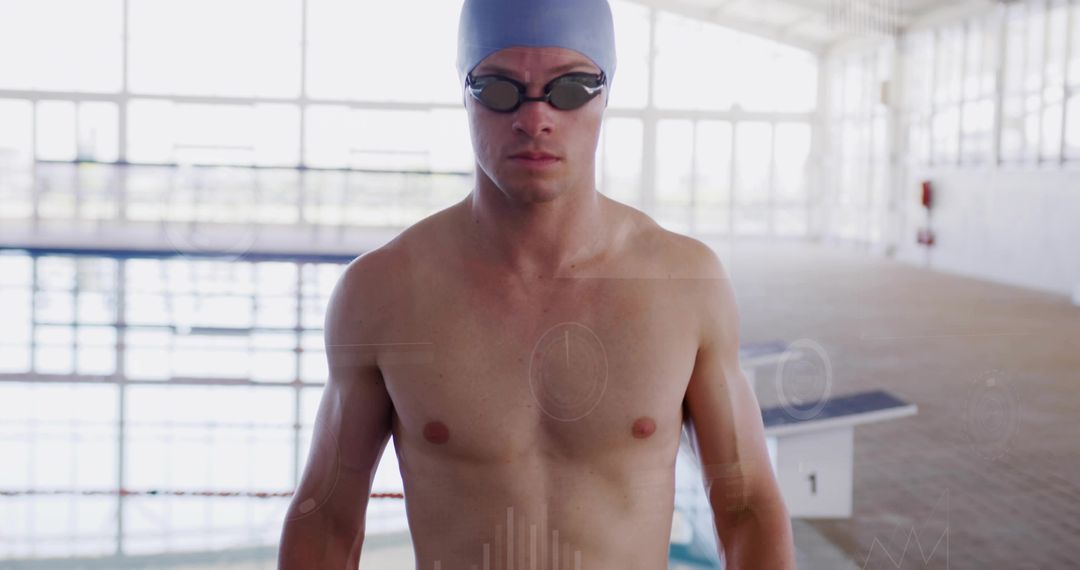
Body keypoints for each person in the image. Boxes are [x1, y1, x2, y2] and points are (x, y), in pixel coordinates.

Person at [278, 0, 795, 568]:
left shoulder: (685, 283)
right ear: (465, 94)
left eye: (569, 89)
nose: (535, 118)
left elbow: (746, 507)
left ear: (605, 94)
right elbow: (326, 521)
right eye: (500, 90)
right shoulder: (380, 292)